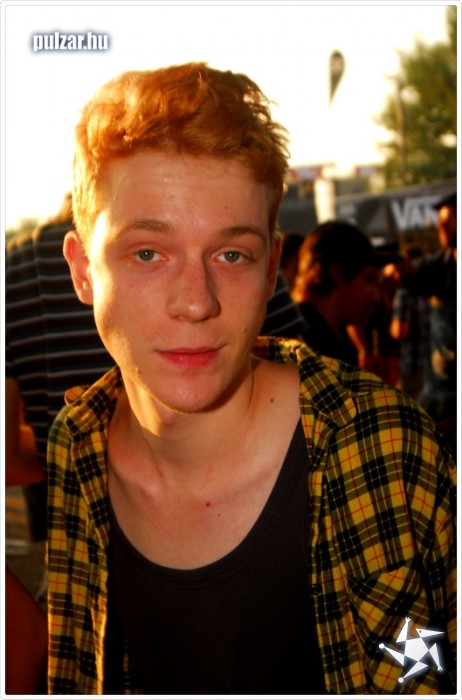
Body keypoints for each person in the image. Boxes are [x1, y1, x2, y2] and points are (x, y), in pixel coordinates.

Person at [47, 62, 456, 695]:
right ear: (82, 270)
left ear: (272, 270)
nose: (196, 301)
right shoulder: (76, 447)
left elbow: (426, 665)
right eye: (148, 253)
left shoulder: (382, 445)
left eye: (231, 254)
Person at [291, 220, 389, 367]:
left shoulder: (327, 336)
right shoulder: (303, 343)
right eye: (369, 280)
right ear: (337, 273)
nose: (376, 297)